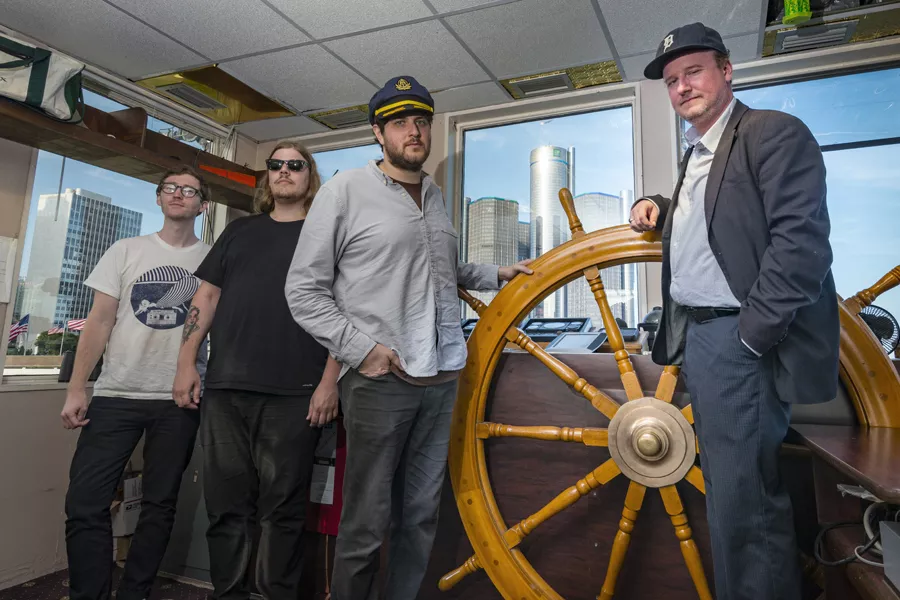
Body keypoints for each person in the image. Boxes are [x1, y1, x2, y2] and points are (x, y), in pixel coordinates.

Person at [284, 75, 533, 600]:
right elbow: (303, 291)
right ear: (378, 133)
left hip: (442, 377)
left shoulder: (436, 196)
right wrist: (363, 352)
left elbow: (443, 270)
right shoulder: (345, 190)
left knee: (420, 516)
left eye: (421, 120)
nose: (414, 131)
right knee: (366, 522)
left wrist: (497, 273)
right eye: (400, 122)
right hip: (382, 380)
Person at [630, 22, 839, 600]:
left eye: (692, 71)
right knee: (731, 493)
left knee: (742, 504)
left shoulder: (772, 133)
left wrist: (750, 337)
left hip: (735, 339)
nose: (680, 88)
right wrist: (658, 203)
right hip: (704, 339)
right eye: (672, 81)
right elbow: (718, 217)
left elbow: (802, 247)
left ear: (726, 70)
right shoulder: (700, 153)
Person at [173, 140, 340, 600]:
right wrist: (186, 363)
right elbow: (204, 299)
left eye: (295, 165)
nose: (284, 171)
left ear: (310, 177)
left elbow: (344, 314)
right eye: (276, 165)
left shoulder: (327, 237)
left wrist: (330, 383)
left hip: (296, 393)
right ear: (267, 176)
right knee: (226, 508)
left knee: (282, 512)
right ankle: (227, 594)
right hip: (225, 390)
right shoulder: (239, 232)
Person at [61, 166, 211, 600]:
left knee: (159, 505)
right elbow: (99, 321)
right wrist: (77, 388)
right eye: (170, 188)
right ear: (159, 198)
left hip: (178, 398)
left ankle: (135, 592)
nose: (178, 194)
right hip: (115, 393)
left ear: (203, 205)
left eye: (189, 190)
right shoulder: (125, 250)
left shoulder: (212, 259)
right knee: (84, 504)